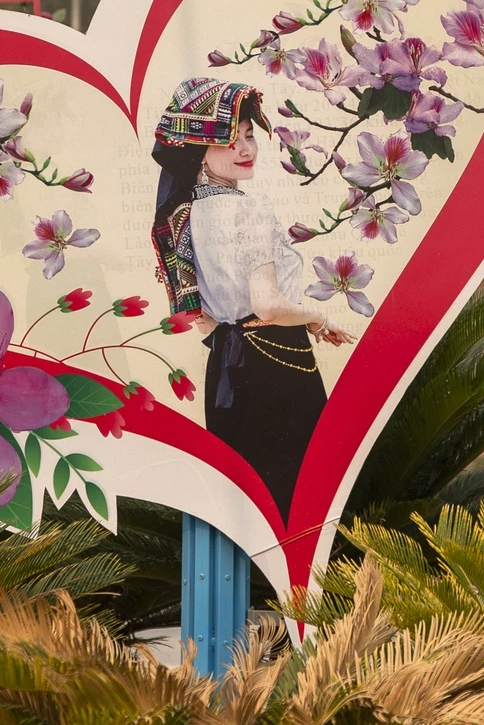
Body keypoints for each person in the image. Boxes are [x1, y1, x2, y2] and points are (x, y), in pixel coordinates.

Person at [149, 78, 351, 522]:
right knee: (302, 500)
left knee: (246, 508)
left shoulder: (183, 217)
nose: (246, 148)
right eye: (230, 139)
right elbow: (268, 306)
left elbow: (199, 318)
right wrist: (317, 317)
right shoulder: (247, 209)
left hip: (225, 365)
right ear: (200, 150)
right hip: (275, 362)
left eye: (249, 135)